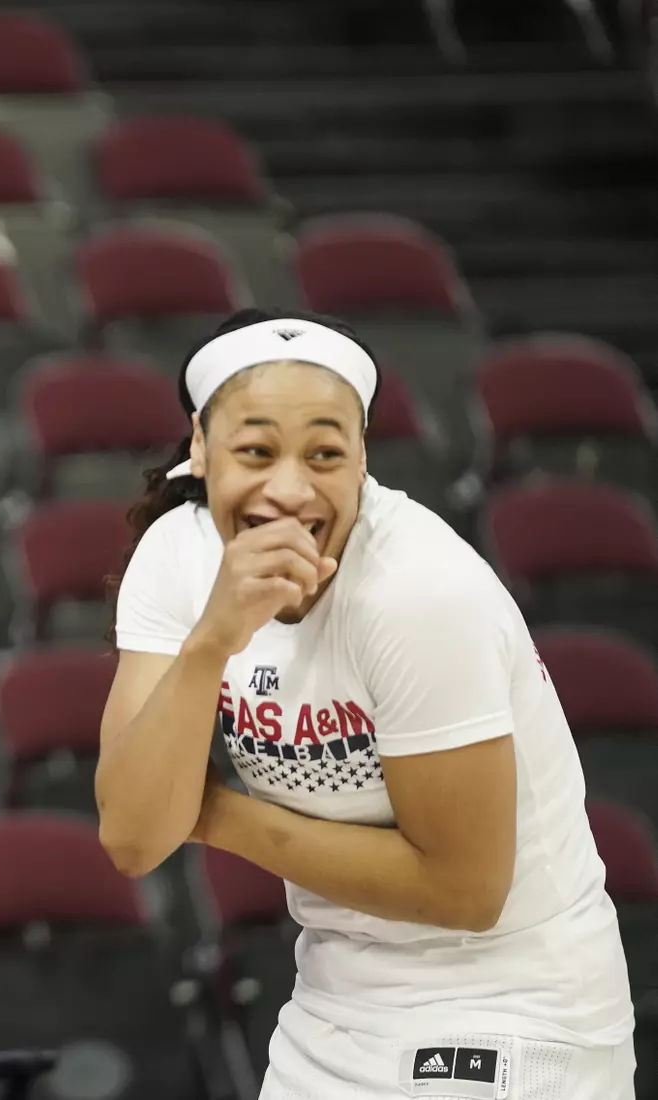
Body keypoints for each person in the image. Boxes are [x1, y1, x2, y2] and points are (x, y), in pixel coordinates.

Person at [96, 307, 636, 1098]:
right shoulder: (176, 557)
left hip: (516, 1001)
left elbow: (464, 891)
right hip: (334, 999)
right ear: (201, 450)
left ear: (362, 460)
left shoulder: (419, 591)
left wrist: (208, 814)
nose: (290, 488)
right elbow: (134, 839)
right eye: (255, 450)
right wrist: (210, 642)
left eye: (324, 453)